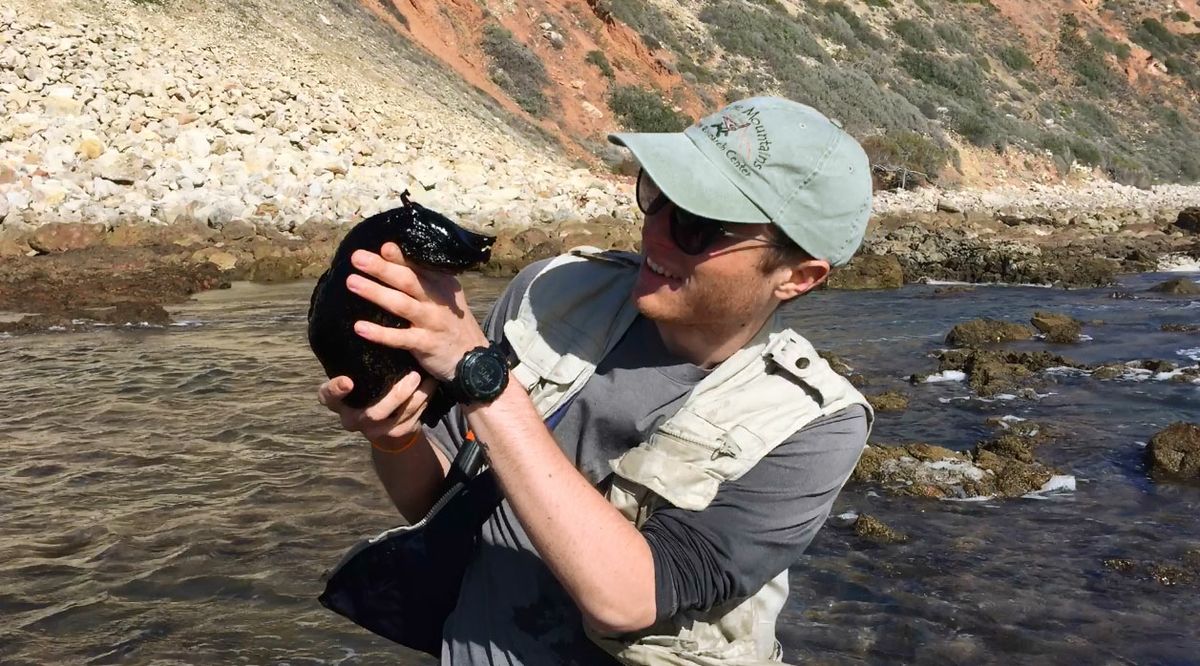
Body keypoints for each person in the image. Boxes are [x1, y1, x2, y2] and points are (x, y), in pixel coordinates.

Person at [317, 96, 875, 665]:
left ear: (797, 276)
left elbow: (629, 599)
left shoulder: (816, 426)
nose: (653, 233)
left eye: (697, 225)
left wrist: (479, 375)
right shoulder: (553, 293)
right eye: (658, 194)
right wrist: (396, 437)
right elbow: (435, 501)